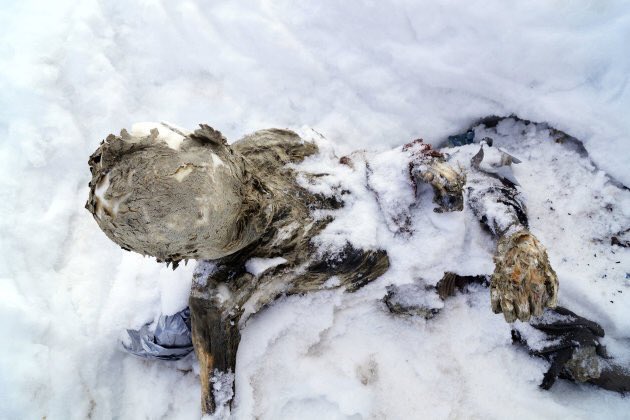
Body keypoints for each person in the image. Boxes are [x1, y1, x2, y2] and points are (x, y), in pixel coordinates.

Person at [86, 120, 569, 414]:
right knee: (562, 335)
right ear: (184, 249)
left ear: (212, 147)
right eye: (203, 216)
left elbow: (347, 158)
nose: (244, 203)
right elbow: (220, 398)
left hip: (439, 215)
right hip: (421, 273)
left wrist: (514, 238)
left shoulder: (265, 149)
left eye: (207, 169)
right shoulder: (224, 289)